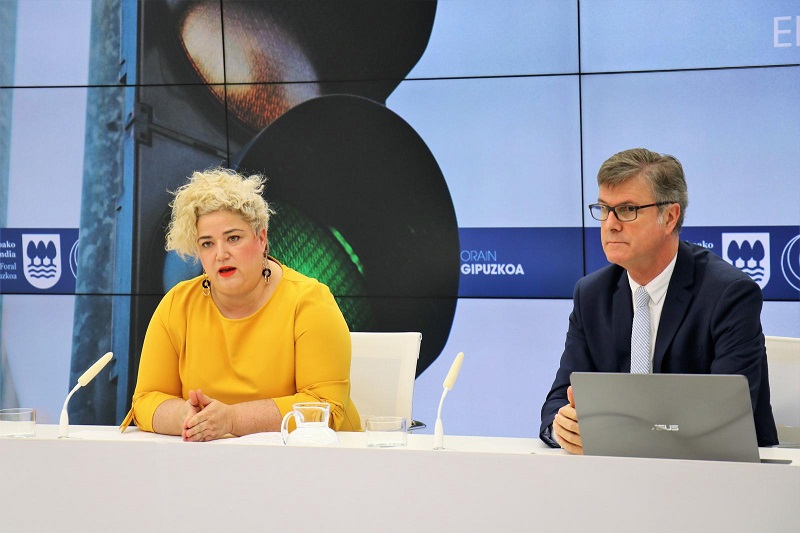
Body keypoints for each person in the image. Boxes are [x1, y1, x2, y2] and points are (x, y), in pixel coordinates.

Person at [540, 148, 778, 452]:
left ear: (669, 217)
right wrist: (563, 428)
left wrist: (620, 436)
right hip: (616, 474)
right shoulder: (591, 295)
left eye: (627, 209)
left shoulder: (728, 294)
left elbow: (725, 418)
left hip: (717, 472)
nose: (610, 224)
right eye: (603, 208)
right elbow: (558, 400)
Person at [120, 167, 361, 441]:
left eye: (233, 238)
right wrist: (185, 417)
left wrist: (232, 420)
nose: (221, 254)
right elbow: (146, 399)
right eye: (207, 244)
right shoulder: (177, 305)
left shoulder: (310, 302)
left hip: (314, 459)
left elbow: (324, 408)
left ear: (261, 239)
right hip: (213, 460)